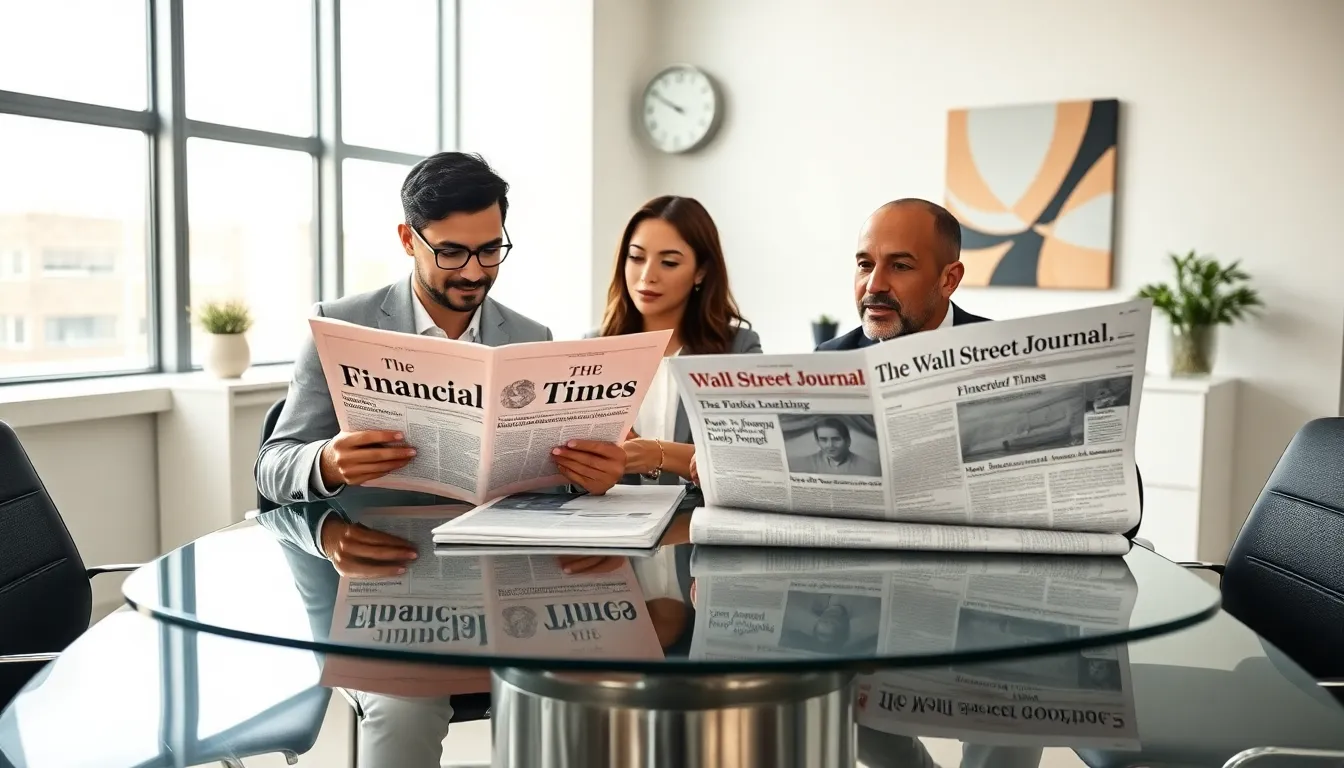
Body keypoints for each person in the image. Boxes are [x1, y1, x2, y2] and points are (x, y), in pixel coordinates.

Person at [254, 153, 628, 768]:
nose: (474, 272)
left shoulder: (532, 340)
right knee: (404, 708)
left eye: (490, 251)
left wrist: (588, 476)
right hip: (383, 582)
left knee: (567, 693)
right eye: (452, 252)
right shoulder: (340, 326)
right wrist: (328, 462)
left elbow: (555, 483)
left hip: (503, 584)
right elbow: (273, 466)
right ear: (409, 238)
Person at [818, 199, 1144, 535]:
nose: (874, 285)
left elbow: (1122, 509)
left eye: (900, 266)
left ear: (949, 280)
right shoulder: (831, 360)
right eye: (865, 265)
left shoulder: (1012, 356)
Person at [590, 195, 761, 484]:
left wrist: (657, 453)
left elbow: (751, 458)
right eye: (636, 257)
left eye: (668, 262)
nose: (647, 276)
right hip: (612, 521)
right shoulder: (592, 348)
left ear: (701, 272)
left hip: (696, 523)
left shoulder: (738, 348)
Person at [792, 417, 882, 476]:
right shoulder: (803, 464)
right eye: (823, 440)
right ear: (817, 441)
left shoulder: (869, 467)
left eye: (836, 439)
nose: (830, 445)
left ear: (847, 441)